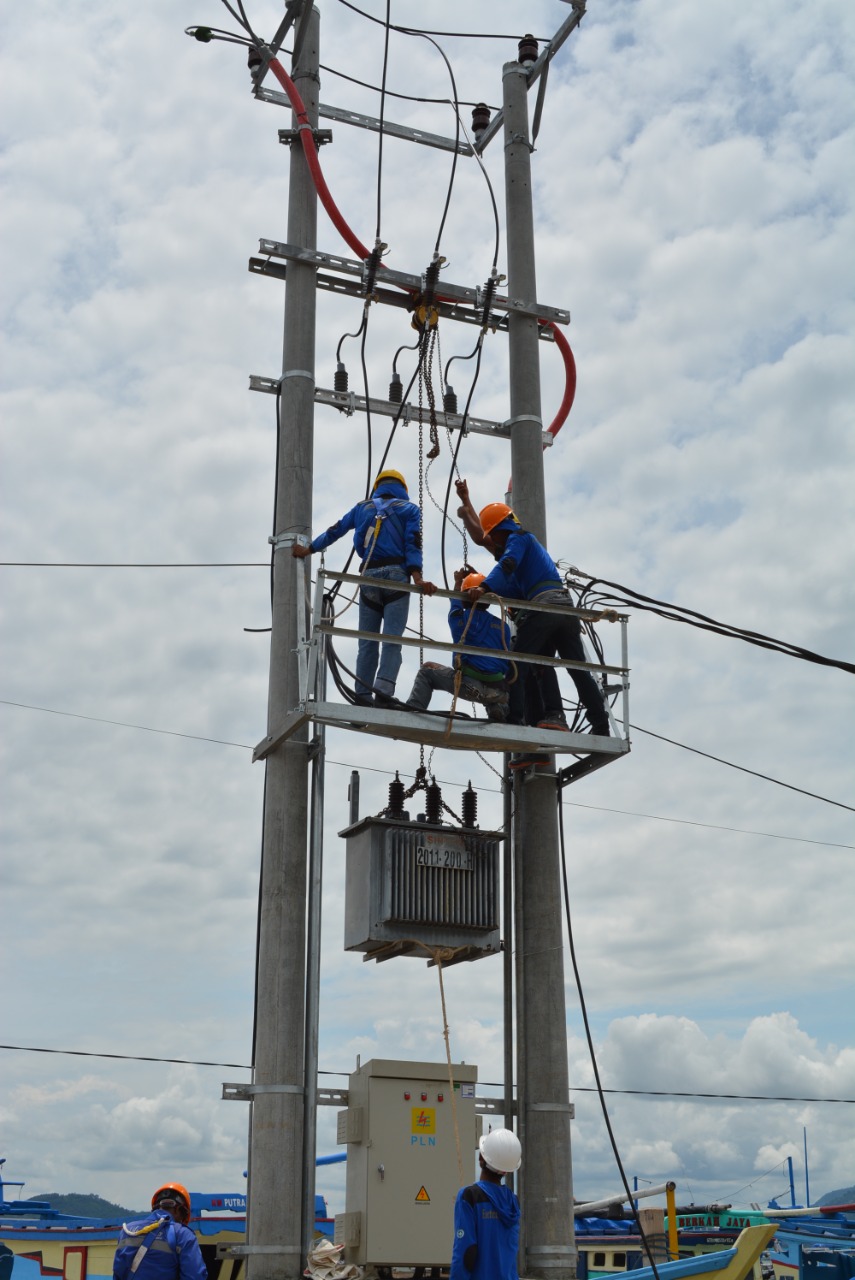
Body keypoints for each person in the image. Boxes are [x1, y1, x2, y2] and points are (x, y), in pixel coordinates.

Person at [455, 479, 610, 740]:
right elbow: (485, 541)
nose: (492, 541)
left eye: (494, 535)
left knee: (518, 664)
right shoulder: (523, 573)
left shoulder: (519, 539)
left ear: (501, 530)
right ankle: (595, 725)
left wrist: (484, 586)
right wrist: (466, 503)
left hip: (546, 607)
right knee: (561, 668)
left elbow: (506, 560)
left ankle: (516, 722)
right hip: (564, 611)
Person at [292, 469, 436, 705]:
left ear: (377, 487)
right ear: (402, 489)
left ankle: (362, 695)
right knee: (392, 640)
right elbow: (413, 544)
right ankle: (383, 691)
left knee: (366, 642)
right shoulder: (410, 509)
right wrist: (418, 578)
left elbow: (335, 530)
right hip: (396, 577)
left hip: (368, 577)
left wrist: (308, 550)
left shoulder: (363, 507)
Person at [405, 568, 511, 720]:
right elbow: (506, 662)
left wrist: (457, 582)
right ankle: (497, 707)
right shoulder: (503, 626)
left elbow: (455, 603)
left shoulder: (459, 620)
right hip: (499, 691)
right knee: (491, 673)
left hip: (469, 687)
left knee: (427, 670)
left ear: (464, 598)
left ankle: (414, 709)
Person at [450, 1128, 521, 1280]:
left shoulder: (469, 1196)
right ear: (506, 1170)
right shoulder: (513, 1202)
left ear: (481, 1158)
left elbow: (465, 1252)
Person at [113, 1184, 207, 1280]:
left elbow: (118, 1272)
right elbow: (194, 1276)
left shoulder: (128, 1231)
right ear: (179, 1210)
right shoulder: (183, 1234)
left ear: (156, 1207)